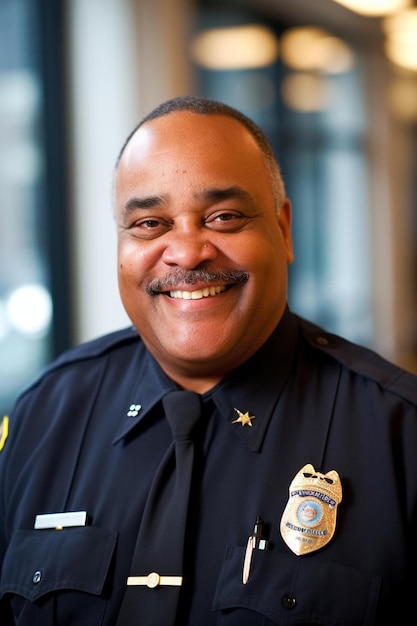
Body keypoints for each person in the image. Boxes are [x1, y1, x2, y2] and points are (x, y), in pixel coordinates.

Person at [0, 95, 416, 626]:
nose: (188, 251)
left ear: (284, 230)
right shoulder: (44, 413)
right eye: (150, 223)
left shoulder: (400, 435)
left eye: (224, 217)